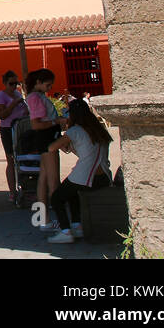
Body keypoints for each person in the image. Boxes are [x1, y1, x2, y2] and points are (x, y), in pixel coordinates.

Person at [46, 99, 114, 243]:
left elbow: (52, 147)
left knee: (57, 197)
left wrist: (61, 130)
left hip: (85, 175)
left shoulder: (75, 131)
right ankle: (77, 226)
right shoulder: (98, 130)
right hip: (103, 176)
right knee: (72, 192)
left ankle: (65, 231)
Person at [23, 69, 64, 228]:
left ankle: (43, 219)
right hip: (47, 138)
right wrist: (57, 122)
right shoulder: (36, 98)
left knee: (44, 179)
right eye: (48, 84)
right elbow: (36, 124)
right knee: (53, 181)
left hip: (45, 138)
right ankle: (62, 221)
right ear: (38, 82)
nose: (50, 87)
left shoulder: (35, 97)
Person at [0, 71, 28, 197]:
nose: (14, 86)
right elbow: (1, 115)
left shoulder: (17, 93)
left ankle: (24, 187)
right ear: (5, 83)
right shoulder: (1, 95)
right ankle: (12, 191)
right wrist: (13, 104)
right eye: (11, 84)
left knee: (22, 159)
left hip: (21, 128)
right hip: (8, 129)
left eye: (16, 83)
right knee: (10, 159)